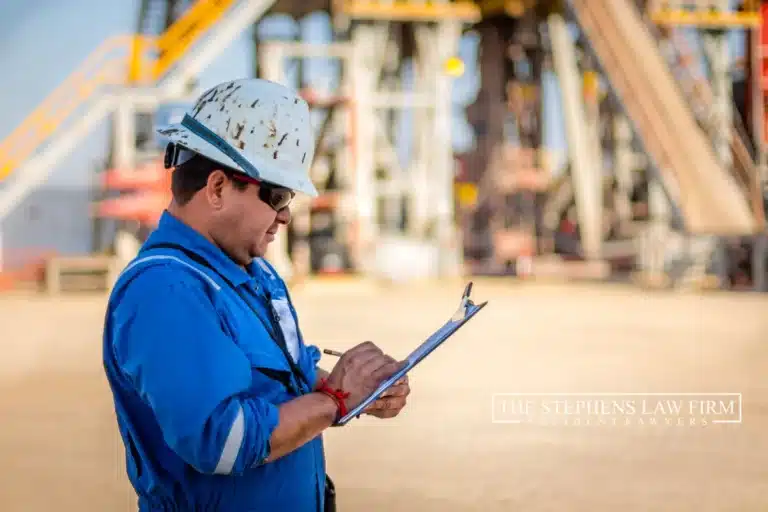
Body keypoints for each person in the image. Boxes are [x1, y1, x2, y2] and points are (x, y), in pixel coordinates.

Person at [102, 78, 411, 511]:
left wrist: (361, 390)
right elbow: (220, 440)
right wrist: (334, 401)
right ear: (217, 188)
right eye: (278, 195)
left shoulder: (252, 274)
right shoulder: (165, 291)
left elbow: (283, 384)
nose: (285, 215)